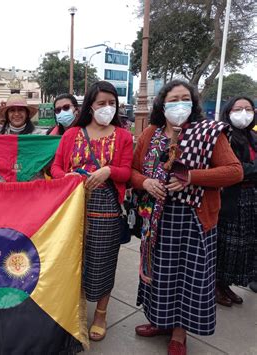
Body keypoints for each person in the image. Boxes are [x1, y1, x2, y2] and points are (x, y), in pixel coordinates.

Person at [130, 80, 243, 355]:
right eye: (173, 99)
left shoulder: (208, 134)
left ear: (192, 104)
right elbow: (132, 171)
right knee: (159, 274)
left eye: (185, 98)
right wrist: (145, 182)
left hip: (193, 219)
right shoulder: (150, 134)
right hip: (157, 218)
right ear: (163, 104)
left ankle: (179, 334)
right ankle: (160, 321)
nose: (179, 104)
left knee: (187, 277)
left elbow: (234, 171)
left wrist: (191, 177)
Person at [51, 81, 133, 342]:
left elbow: (127, 172)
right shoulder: (71, 134)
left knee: (103, 262)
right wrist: (68, 175)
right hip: (72, 208)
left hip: (106, 209)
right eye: (101, 103)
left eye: (112, 103)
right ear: (90, 105)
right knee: (71, 261)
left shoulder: (123, 136)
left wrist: (109, 170)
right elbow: (55, 169)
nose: (107, 108)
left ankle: (100, 313)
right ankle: (72, 310)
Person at [215, 96, 256, 306]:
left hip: (250, 199)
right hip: (231, 199)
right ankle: (217, 285)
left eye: (248, 109)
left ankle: (227, 284)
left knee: (243, 247)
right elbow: (235, 170)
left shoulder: (252, 136)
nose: (243, 113)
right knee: (228, 245)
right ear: (228, 111)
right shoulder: (225, 136)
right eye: (238, 109)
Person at [0, 94, 40, 181]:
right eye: (12, 110)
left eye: (21, 110)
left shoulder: (38, 136)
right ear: (7, 114)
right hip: (6, 188)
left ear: (27, 113)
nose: (16, 114)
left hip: (32, 187)